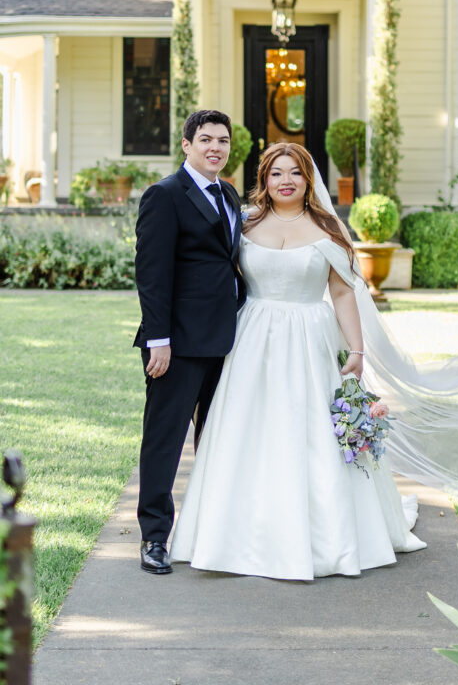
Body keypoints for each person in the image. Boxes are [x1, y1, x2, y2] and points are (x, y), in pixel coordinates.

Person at [170, 142, 426, 578]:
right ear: (264, 180)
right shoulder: (245, 223)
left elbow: (342, 293)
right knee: (247, 429)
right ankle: (237, 535)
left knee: (310, 431)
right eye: (276, 173)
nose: (285, 181)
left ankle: (324, 535)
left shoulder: (327, 229)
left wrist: (357, 351)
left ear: (308, 180)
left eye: (295, 173)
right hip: (252, 340)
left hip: (310, 340)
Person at [134, 109, 246, 575]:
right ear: (187, 145)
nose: (215, 148)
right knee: (165, 439)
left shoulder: (229, 194)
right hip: (176, 344)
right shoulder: (164, 195)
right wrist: (158, 339)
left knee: (216, 437)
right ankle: (154, 537)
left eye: (223, 141)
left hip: (225, 340)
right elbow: (151, 274)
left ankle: (210, 531)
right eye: (206, 139)